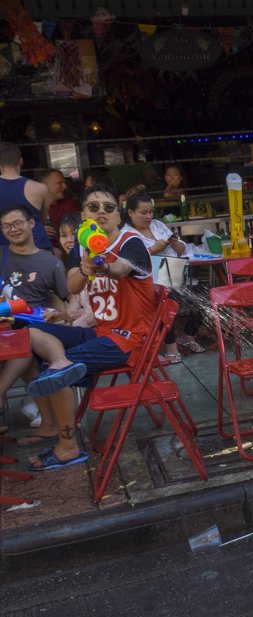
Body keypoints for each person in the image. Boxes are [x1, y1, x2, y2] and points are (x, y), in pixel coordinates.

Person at [18, 183, 155, 470]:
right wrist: (86, 264)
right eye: (93, 207)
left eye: (108, 207)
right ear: (83, 215)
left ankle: (67, 447)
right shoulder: (82, 242)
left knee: (53, 373)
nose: (101, 212)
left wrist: (103, 264)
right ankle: (54, 420)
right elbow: (71, 285)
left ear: (119, 215)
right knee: (25, 335)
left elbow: (122, 269)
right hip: (100, 331)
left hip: (130, 340)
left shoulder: (131, 241)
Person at [0, 203, 73, 443]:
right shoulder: (0, 254)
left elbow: (68, 300)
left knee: (29, 346)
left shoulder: (50, 262)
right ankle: (48, 421)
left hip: (30, 326)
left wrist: (61, 315)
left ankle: (49, 423)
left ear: (31, 223)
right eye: (7, 226)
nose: (13, 229)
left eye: (17, 223)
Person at [121, 193, 200, 363]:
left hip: (174, 272)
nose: (148, 216)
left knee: (202, 296)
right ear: (131, 213)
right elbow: (131, 265)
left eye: (150, 212)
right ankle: (170, 344)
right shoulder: (126, 235)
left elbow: (181, 251)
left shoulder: (158, 225)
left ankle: (188, 336)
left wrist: (177, 244)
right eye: (143, 213)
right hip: (150, 283)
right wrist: (153, 249)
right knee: (166, 300)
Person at [0, 142, 51, 251]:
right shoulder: (40, 188)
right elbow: (43, 219)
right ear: (21, 161)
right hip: (37, 246)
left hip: (4, 248)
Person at [42, 169, 77, 249]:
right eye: (60, 183)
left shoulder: (69, 204)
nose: (65, 186)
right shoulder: (33, 206)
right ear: (44, 185)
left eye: (64, 183)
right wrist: (39, 231)